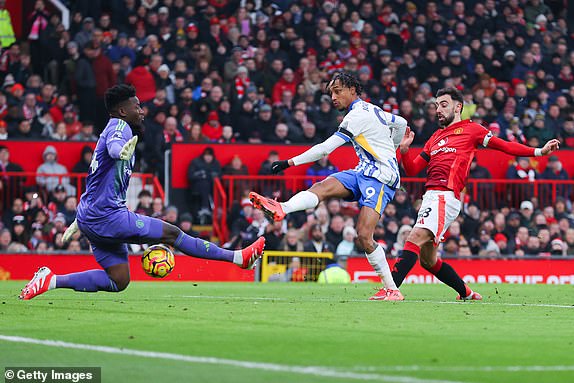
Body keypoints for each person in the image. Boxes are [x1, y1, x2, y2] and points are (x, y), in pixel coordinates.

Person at [19, 84, 265, 300]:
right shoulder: (120, 126)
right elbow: (116, 146)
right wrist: (119, 152)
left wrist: (80, 220)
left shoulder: (113, 129)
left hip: (91, 216)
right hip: (107, 217)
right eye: (137, 106)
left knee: (118, 280)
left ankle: (50, 280)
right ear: (123, 110)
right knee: (172, 233)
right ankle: (237, 258)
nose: (142, 111)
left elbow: (96, 178)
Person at [249, 72, 408, 301]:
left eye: (338, 91)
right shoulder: (373, 109)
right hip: (363, 170)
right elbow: (401, 123)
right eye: (331, 92)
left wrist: (288, 162)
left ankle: (392, 289)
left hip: (381, 177)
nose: (333, 97)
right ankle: (282, 207)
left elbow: (325, 149)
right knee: (323, 186)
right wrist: (393, 150)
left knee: (364, 235)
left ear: (353, 90)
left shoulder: (355, 117)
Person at [393, 87, 559, 300]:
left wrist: (538, 151)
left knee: (413, 237)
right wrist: (405, 151)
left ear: (458, 107)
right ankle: (467, 293)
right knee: (428, 260)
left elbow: (505, 146)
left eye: (444, 105)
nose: (438, 110)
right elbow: (413, 169)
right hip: (430, 197)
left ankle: (391, 288)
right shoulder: (434, 137)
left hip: (445, 196)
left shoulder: (472, 130)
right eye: (436, 106)